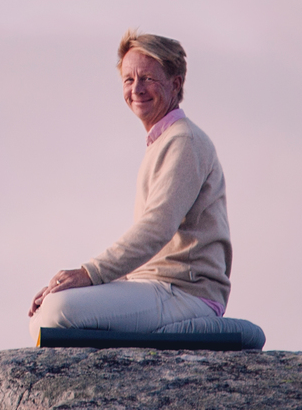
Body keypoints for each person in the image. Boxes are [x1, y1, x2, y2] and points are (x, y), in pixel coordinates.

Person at [27, 32, 231, 334]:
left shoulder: (184, 141)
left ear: (175, 84)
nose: (136, 89)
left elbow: (156, 228)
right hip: (156, 288)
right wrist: (82, 284)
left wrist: (88, 274)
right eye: (128, 79)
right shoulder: (163, 142)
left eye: (147, 78)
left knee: (58, 311)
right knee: (48, 310)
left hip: (187, 293)